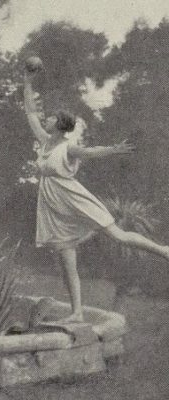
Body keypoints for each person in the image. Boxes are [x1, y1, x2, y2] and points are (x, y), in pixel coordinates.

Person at [23, 69, 169, 323]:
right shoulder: (44, 140)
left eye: (51, 119)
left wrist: (114, 149)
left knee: (118, 235)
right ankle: (77, 313)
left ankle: (164, 250)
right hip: (52, 204)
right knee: (67, 259)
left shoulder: (67, 146)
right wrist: (27, 81)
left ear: (60, 125)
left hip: (72, 197)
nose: (46, 120)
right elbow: (31, 113)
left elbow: (90, 152)